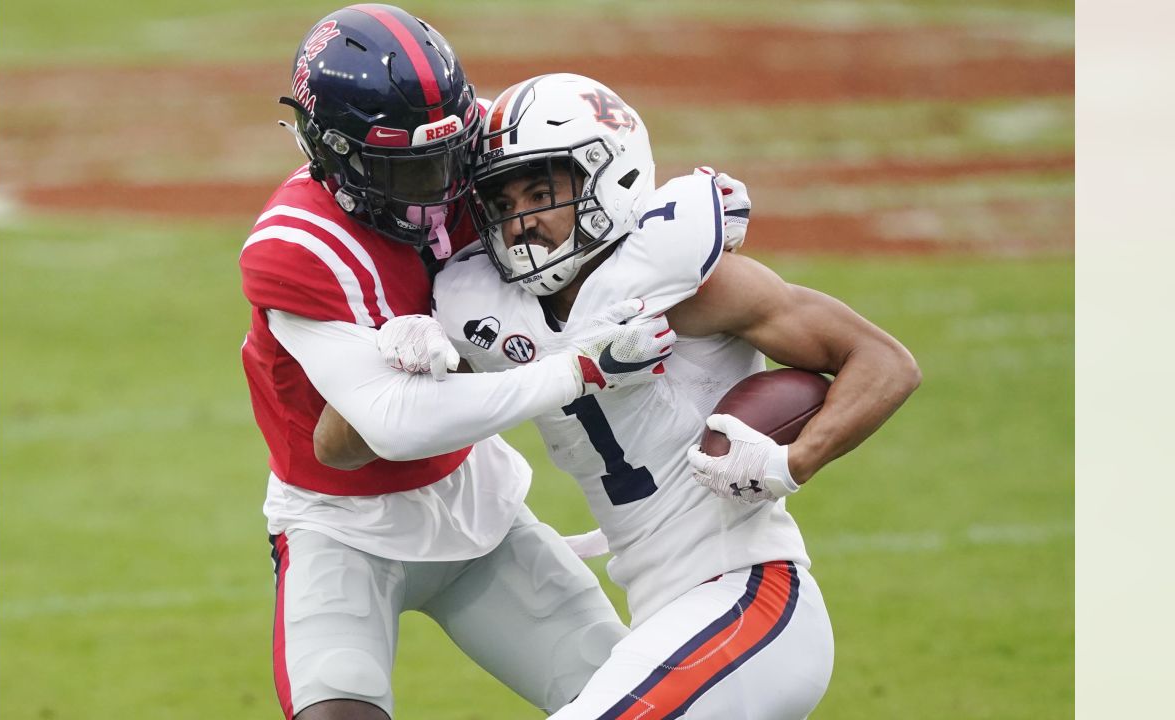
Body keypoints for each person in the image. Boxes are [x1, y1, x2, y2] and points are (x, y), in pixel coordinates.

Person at [329, 73, 921, 719]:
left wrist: (792, 463)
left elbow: (884, 362)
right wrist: (401, 354)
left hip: (752, 596)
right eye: (501, 200)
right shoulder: (488, 310)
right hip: (666, 613)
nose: (519, 217)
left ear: (607, 176)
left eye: (541, 191)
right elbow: (341, 447)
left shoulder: (683, 283)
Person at [241, 9, 681, 720]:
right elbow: (373, 431)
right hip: (340, 527)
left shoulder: (477, 144)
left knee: (632, 704)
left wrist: (687, 226)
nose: (438, 187)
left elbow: (601, 202)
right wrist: (577, 371)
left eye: (446, 157)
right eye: (403, 167)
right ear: (330, 154)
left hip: (479, 503)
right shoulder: (299, 245)